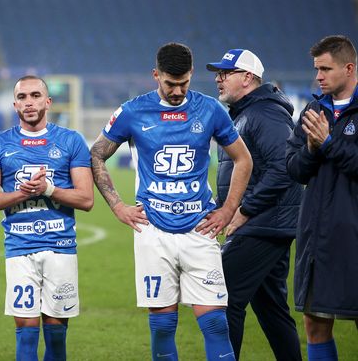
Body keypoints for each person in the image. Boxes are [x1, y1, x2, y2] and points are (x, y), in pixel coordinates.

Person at [90, 42, 252, 360]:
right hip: (153, 233)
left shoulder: (210, 109)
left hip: (200, 230)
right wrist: (118, 206)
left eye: (184, 83)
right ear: (156, 76)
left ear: (191, 76)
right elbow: (96, 153)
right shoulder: (133, 111)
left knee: (216, 324)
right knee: (163, 326)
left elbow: (243, 160)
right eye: (170, 83)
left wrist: (228, 210)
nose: (177, 91)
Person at [0, 75, 94, 361]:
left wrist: (49, 189)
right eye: (22, 97)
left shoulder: (71, 141)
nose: (28, 103)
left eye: (34, 95)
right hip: (19, 248)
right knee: (27, 330)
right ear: (14, 104)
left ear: (48, 101)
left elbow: (86, 199)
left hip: (61, 247)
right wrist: (23, 193)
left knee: (56, 335)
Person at [206, 49, 302, 360]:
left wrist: (242, 211)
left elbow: (283, 168)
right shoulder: (247, 113)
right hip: (266, 223)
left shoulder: (265, 113)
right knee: (272, 311)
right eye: (218, 73)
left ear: (248, 78)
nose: (218, 79)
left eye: (226, 73)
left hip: (262, 224)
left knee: (221, 298)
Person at [286, 35, 358, 360]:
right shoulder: (313, 110)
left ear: (349, 68)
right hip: (317, 238)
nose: (318, 76)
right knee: (314, 323)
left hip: (354, 237)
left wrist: (328, 143)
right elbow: (294, 169)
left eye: (326, 69)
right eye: (316, 69)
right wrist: (313, 149)